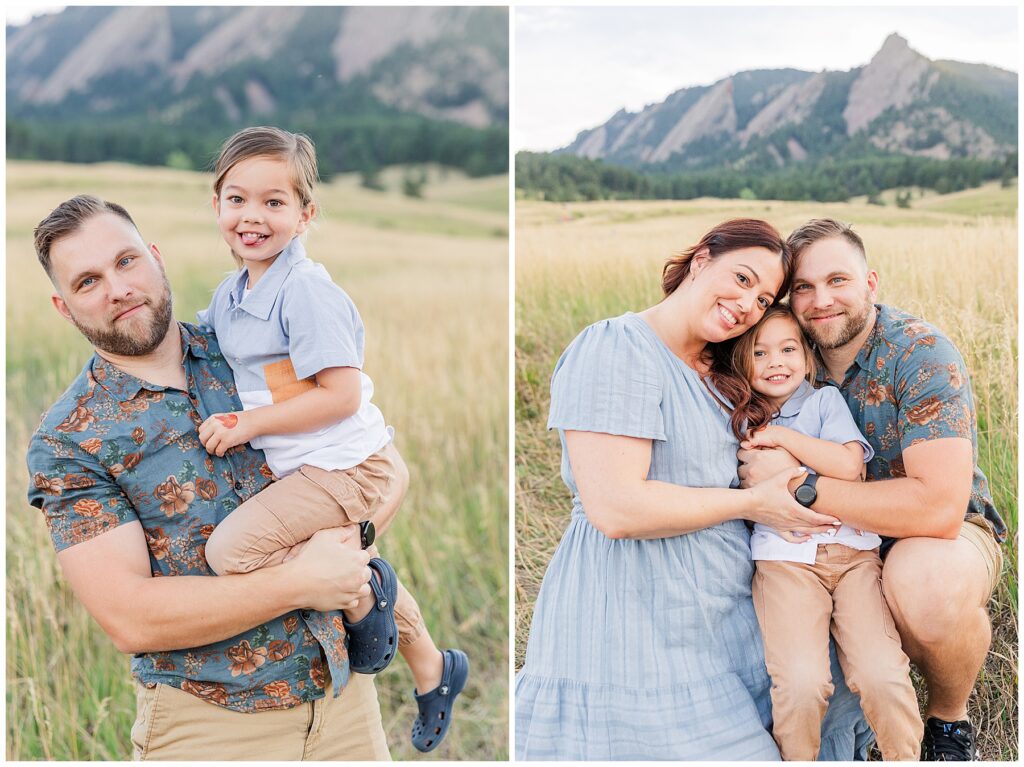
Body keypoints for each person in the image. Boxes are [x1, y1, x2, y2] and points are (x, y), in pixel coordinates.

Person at [27, 194, 389, 759]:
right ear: (63, 306)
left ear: (155, 256)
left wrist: (352, 543)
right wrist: (302, 582)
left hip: (345, 703)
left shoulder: (248, 349)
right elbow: (130, 617)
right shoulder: (71, 442)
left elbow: (364, 460)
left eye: (125, 262)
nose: (117, 288)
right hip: (210, 725)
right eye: (87, 282)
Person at [515, 219, 873, 760]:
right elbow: (616, 508)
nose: (748, 303)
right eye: (742, 277)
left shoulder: (726, 365)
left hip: (727, 608)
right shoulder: (617, 348)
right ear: (702, 259)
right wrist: (757, 501)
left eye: (763, 297)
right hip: (638, 609)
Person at [194, 126, 467, 752]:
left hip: (345, 466)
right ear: (216, 207)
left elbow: (341, 394)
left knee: (232, 552)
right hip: (311, 469)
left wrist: (248, 426)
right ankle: (431, 666)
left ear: (306, 213)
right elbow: (204, 344)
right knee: (342, 555)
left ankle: (363, 595)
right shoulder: (233, 294)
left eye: (274, 202)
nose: (252, 217)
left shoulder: (307, 290)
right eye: (236, 200)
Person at [738, 219, 1006, 761]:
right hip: (815, 550)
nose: (821, 300)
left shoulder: (921, 354)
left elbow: (938, 508)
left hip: (934, 536)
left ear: (871, 283)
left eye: (838, 280)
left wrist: (797, 486)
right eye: (805, 287)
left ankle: (948, 723)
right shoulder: (778, 359)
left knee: (924, 590)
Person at [724, 305, 921, 760]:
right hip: (785, 564)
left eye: (788, 349)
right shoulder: (737, 419)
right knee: (801, 682)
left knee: (880, 673)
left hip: (853, 557)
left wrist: (786, 441)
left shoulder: (822, 402)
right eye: (759, 352)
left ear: (807, 358)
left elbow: (849, 466)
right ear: (740, 362)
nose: (776, 362)